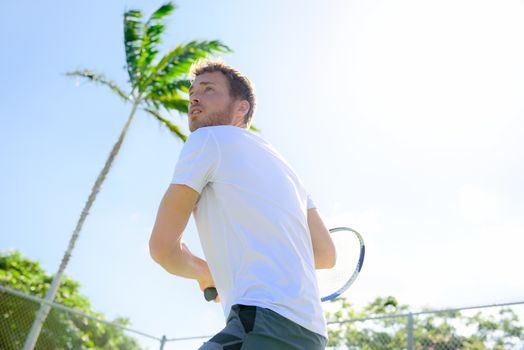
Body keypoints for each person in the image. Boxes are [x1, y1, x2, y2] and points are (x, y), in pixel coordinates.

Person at [149, 59, 336, 350]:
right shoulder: (288, 169)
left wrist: (202, 271)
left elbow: (162, 248)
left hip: (261, 325)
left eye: (208, 90)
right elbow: (325, 254)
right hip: (311, 336)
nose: (194, 97)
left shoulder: (206, 139)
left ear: (241, 107)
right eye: (192, 92)